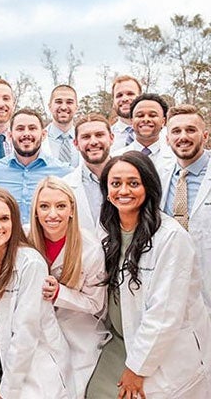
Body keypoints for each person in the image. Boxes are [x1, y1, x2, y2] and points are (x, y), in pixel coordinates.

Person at [86, 151, 211, 398]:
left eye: (134, 183)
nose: (124, 190)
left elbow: (164, 313)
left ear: (149, 186)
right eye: (115, 183)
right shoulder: (107, 232)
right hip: (119, 342)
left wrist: (137, 369)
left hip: (163, 353)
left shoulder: (171, 238)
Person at [0, 187, 73, 399]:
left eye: (4, 218)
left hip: (39, 368)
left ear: (15, 221)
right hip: (4, 368)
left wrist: (5, 392)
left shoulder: (30, 263)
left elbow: (25, 334)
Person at [29, 176, 106, 399]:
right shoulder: (24, 239)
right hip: (37, 330)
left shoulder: (90, 249)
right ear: (35, 210)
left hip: (77, 331)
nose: (52, 214)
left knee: (74, 388)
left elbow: (95, 303)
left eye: (60, 206)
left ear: (72, 209)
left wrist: (59, 294)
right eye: (44, 206)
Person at [0, 108, 72, 224]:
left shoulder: (65, 173)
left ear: (44, 135)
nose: (26, 134)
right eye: (20, 129)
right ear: (9, 136)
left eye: (32, 128)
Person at [162, 104, 211, 314]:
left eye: (191, 130)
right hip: (173, 280)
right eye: (176, 131)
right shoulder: (159, 176)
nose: (183, 136)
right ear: (167, 139)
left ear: (205, 135)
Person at [64, 114, 114, 232]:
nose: (93, 142)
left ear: (111, 138)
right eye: (86, 137)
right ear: (76, 143)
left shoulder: (131, 177)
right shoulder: (65, 186)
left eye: (99, 135)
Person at [113, 93, 174, 177]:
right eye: (140, 115)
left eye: (152, 115)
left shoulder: (175, 158)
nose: (146, 119)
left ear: (163, 121)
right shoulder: (115, 158)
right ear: (132, 121)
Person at [44, 84, 80, 167]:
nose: (63, 107)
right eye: (58, 102)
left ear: (76, 108)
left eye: (69, 102)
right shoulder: (38, 140)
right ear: (50, 107)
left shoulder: (84, 139)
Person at [110, 75, 142, 152]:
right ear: (113, 102)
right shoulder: (105, 138)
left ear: (141, 98)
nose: (124, 99)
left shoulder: (161, 135)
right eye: (119, 95)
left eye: (130, 94)